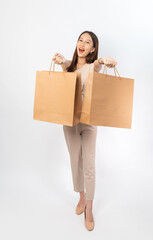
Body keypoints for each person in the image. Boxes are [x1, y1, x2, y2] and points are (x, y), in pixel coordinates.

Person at [52, 30, 117, 231]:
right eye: (81, 40)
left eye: (87, 42)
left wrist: (104, 60)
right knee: (75, 160)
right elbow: (67, 76)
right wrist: (60, 61)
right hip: (70, 121)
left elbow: (96, 66)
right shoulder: (69, 67)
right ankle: (81, 196)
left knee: (89, 163)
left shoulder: (92, 67)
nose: (82, 44)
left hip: (89, 122)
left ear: (92, 49)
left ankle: (89, 207)